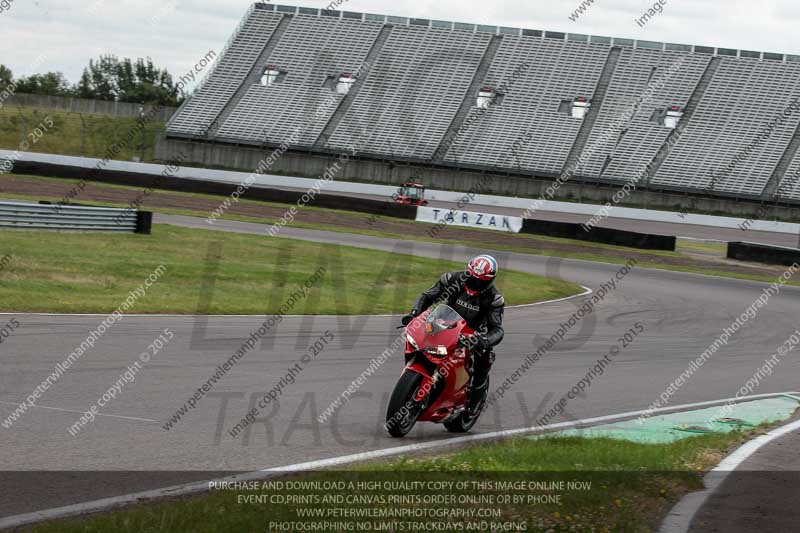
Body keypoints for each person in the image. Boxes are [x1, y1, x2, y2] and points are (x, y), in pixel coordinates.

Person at [402, 254, 504, 415]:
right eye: (472, 278)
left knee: (484, 359)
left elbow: (497, 329)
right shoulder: (451, 279)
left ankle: (475, 401)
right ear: (467, 272)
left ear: (490, 281)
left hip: (475, 333)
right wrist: (414, 313)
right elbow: (427, 296)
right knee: (422, 339)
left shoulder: (494, 299)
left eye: (481, 281)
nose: (475, 283)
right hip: (445, 322)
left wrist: (483, 341)